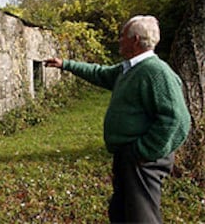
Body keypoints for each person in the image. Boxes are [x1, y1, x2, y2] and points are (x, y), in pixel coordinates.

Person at [45, 15, 191, 224]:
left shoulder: (155, 71)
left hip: (143, 160)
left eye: (122, 36)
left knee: (142, 217)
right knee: (122, 213)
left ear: (135, 40)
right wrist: (65, 64)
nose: (119, 40)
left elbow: (177, 118)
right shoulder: (129, 68)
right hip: (128, 155)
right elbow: (100, 73)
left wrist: (144, 151)